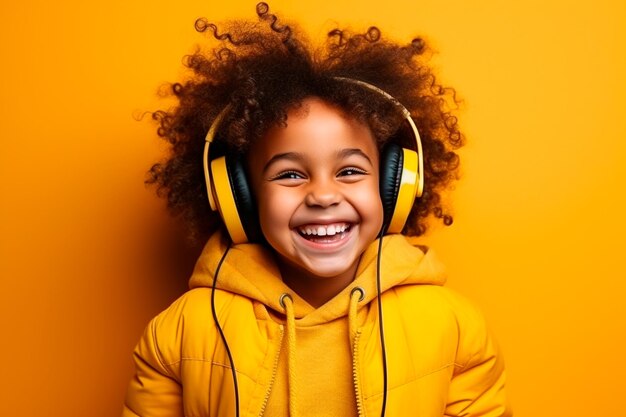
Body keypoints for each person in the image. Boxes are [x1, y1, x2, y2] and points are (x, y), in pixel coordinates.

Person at [122, 3, 511, 416]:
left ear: (393, 186)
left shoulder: (454, 328)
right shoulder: (182, 332)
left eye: (349, 171)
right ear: (239, 197)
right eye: (289, 175)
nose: (323, 195)